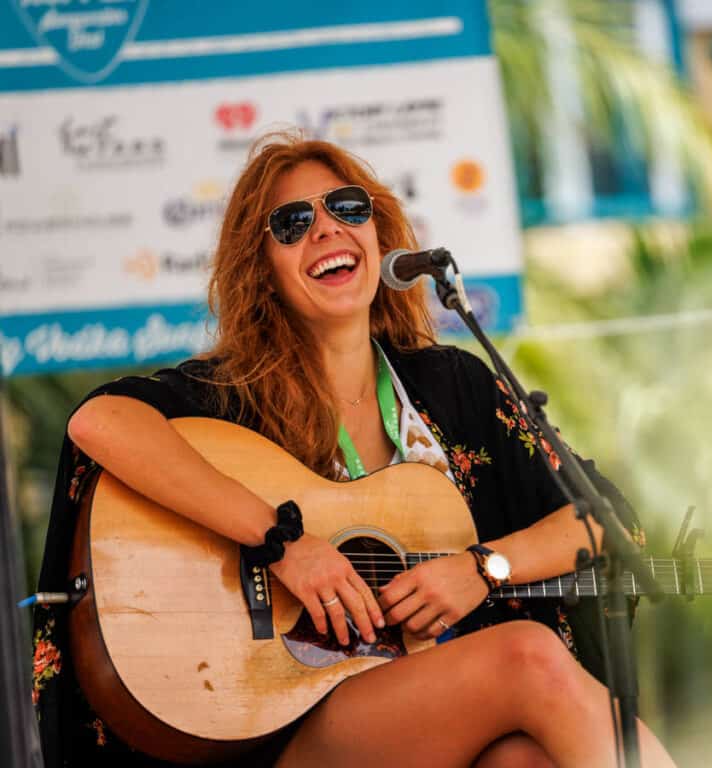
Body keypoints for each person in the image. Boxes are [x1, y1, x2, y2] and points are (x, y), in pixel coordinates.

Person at [31, 131, 677, 767]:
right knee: (529, 656)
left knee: (525, 759)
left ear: (378, 235)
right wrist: (282, 545)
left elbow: (604, 522)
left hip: (430, 714)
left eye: (346, 208)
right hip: (287, 730)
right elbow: (100, 423)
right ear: (262, 272)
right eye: (291, 223)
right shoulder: (234, 399)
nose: (326, 230)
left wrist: (482, 568)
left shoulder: (453, 387)